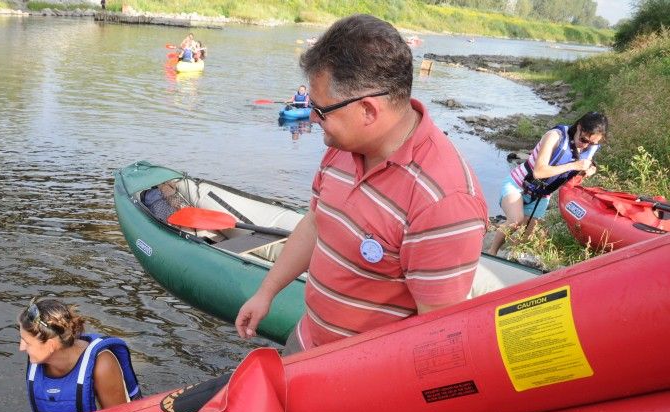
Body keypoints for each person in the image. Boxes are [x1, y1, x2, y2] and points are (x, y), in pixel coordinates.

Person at [235, 14, 488, 354]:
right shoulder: (343, 148)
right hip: (309, 337)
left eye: (320, 110)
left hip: (364, 378)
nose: (312, 118)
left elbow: (436, 334)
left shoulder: (443, 200)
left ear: (368, 111)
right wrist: (267, 292)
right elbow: (316, 222)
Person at [488, 112, 608, 256]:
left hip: (541, 195)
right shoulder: (555, 136)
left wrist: (590, 168)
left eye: (592, 143)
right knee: (515, 220)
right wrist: (574, 166)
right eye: (583, 139)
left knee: (527, 237)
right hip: (518, 185)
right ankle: (491, 253)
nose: (585, 145)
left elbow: (582, 165)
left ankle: (512, 258)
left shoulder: (588, 147)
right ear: (579, 127)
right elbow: (539, 172)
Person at [19, 298, 142, 412]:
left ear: (50, 346)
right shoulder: (37, 359)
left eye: (27, 342)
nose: (21, 348)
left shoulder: (102, 366)